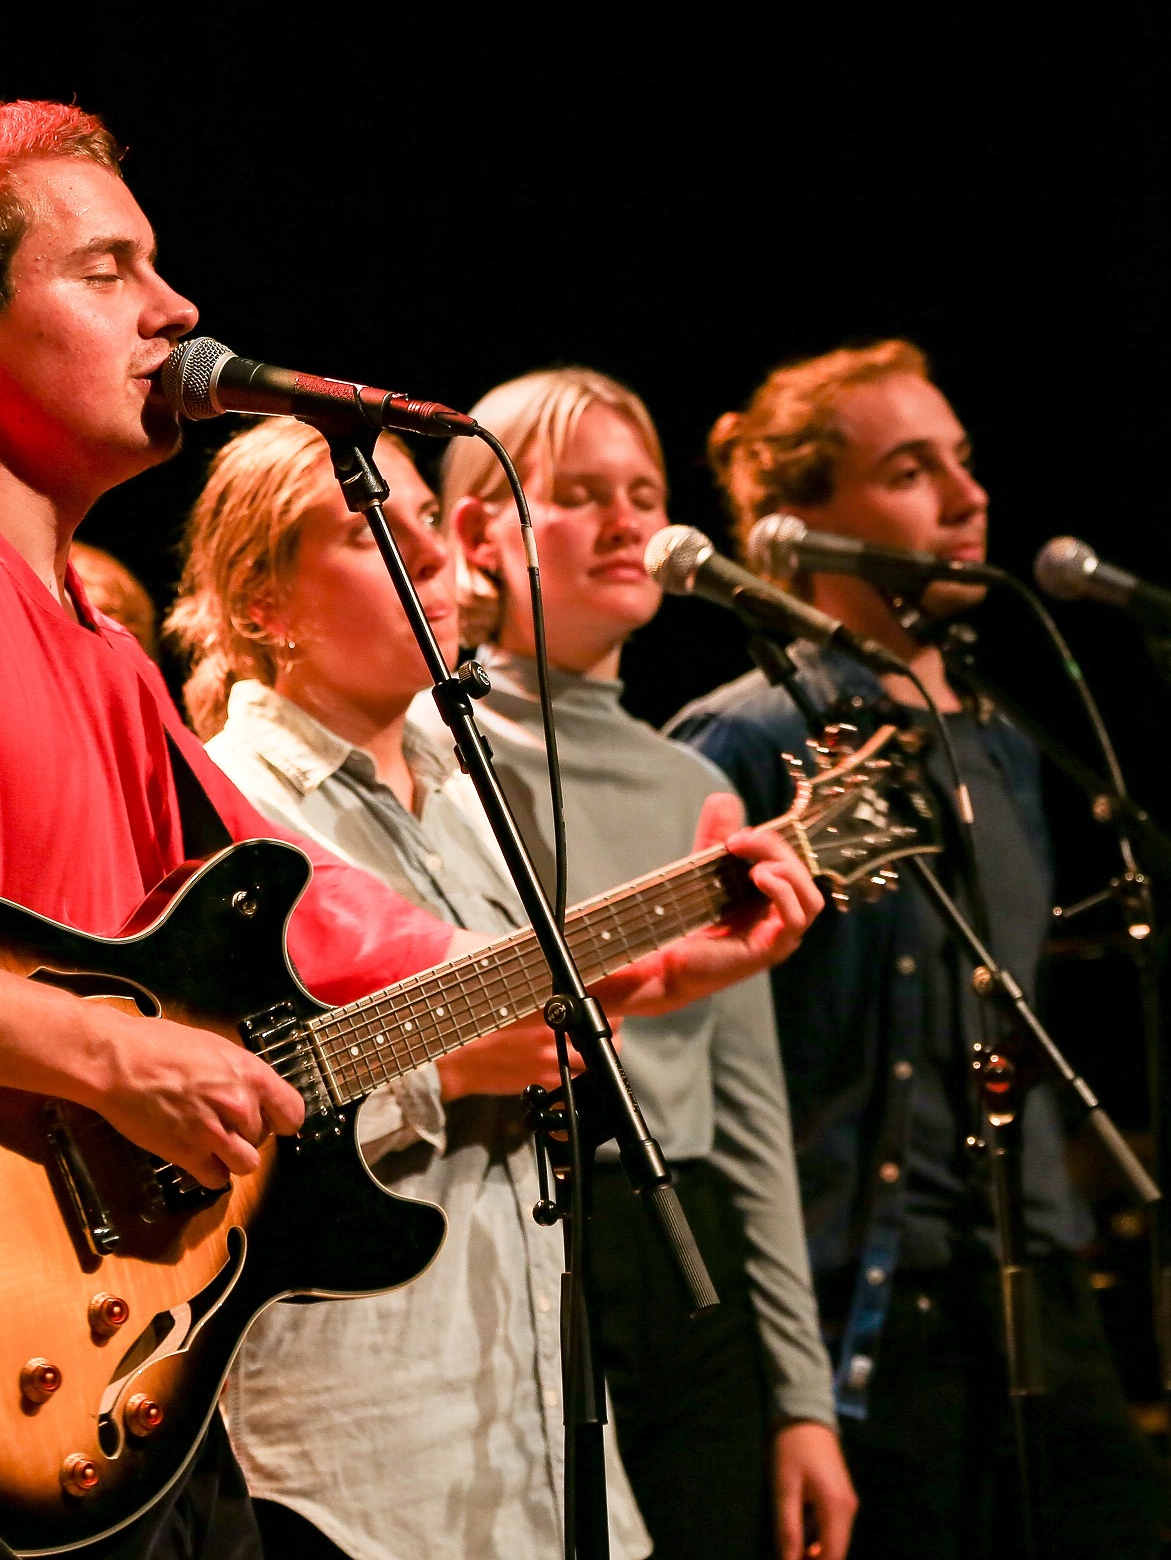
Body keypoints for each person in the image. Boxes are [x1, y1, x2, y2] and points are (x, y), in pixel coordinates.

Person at [0, 100, 818, 1560]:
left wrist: (654, 955)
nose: (176, 310)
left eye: (156, 268)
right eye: (107, 272)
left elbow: (336, 928)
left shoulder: (97, 643)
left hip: (108, 1347)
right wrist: (113, 1053)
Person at [169, 420, 817, 1560]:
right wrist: (446, 1072)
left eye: (428, 520)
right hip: (356, 1460)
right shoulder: (225, 813)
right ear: (260, 600)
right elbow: (203, 1117)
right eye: (374, 531)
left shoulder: (470, 790)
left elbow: (512, 1017)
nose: (435, 558)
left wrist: (678, 975)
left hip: (533, 1435)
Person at [665, 341, 1169, 1559]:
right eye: (908, 470)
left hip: (1034, 1276)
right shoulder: (734, 744)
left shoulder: (999, 741)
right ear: (797, 526)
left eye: (962, 461)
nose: (964, 497)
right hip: (862, 1304)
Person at [434, 367, 858, 1560]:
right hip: (512, 1247)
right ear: (479, 528)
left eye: (647, 492)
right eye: (579, 493)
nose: (633, 524)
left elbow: (751, 1116)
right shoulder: (428, 751)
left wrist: (802, 1402)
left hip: (688, 1253)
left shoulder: (697, 788)